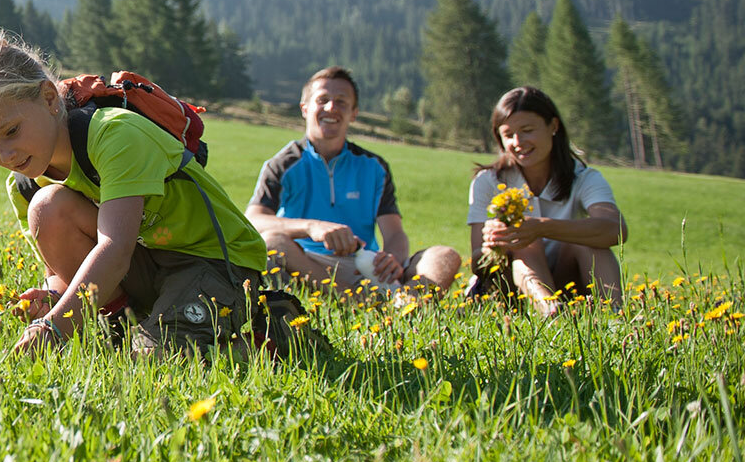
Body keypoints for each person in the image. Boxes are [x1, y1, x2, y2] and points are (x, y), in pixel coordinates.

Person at [0, 32, 271, 357]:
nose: (6, 155)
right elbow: (59, 273)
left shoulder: (114, 135)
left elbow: (115, 250)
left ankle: (272, 343)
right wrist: (53, 298)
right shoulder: (25, 184)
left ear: (49, 99)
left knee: (152, 360)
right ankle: (124, 330)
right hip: (148, 265)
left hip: (213, 262)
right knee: (47, 209)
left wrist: (54, 327)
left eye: (11, 131)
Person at [247, 66, 461, 297]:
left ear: (354, 113)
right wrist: (311, 227)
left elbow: (394, 233)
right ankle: (354, 301)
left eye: (341, 102)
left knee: (444, 255)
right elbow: (254, 220)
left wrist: (393, 259)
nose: (331, 107)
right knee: (271, 243)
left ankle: (408, 304)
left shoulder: (374, 167)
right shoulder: (281, 165)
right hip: (307, 266)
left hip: (363, 266)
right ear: (305, 108)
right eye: (323, 100)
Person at [468, 86, 626, 315]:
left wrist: (541, 227)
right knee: (523, 241)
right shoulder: (488, 181)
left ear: (553, 126)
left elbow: (616, 229)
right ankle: (551, 310)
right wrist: (494, 245)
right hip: (511, 289)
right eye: (508, 135)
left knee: (592, 242)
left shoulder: (583, 177)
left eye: (527, 130)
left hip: (571, 280)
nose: (518, 141)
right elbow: (476, 261)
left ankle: (614, 316)